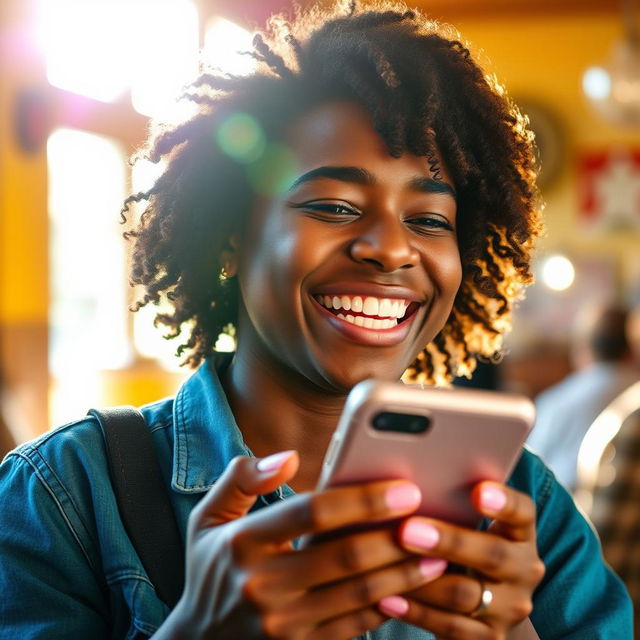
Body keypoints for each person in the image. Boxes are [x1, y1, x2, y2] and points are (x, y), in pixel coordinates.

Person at [0, 2, 632, 638]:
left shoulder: (519, 502)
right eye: (333, 205)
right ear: (227, 237)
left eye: (430, 220)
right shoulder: (62, 495)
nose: (390, 248)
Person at [526, 301, 639, 492]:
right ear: (631, 350)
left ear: (584, 349)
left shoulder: (555, 402)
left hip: (565, 508)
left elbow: (531, 473)